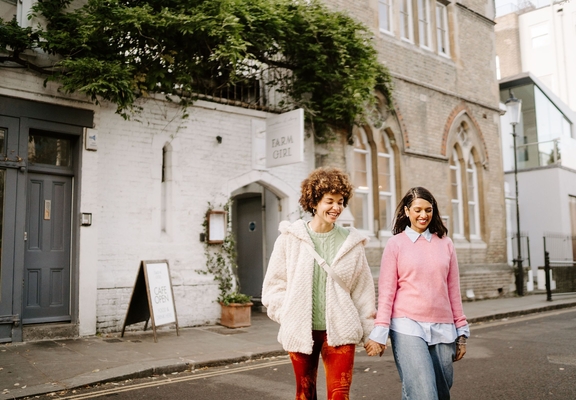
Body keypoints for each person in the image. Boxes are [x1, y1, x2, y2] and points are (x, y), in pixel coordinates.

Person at [262, 166, 376, 400]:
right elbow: (274, 286)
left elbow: (363, 291)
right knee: (304, 394)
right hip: (300, 329)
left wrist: (371, 333)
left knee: (339, 395)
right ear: (314, 202)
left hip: (341, 330)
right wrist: (288, 313)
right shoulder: (290, 239)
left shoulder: (351, 242)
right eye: (329, 201)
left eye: (341, 201)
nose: (336, 208)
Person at [365, 187, 469, 400]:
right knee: (424, 393)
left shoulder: (446, 244)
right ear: (406, 211)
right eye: (418, 210)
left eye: (428, 210)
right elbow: (387, 292)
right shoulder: (396, 244)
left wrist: (461, 332)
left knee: (440, 392)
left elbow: (453, 291)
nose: (424, 215)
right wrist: (380, 332)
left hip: (443, 325)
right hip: (407, 324)